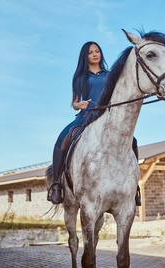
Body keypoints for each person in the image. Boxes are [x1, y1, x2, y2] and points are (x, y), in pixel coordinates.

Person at [47, 41, 141, 206]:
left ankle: (135, 186)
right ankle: (56, 184)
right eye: (91, 52)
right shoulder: (80, 76)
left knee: (132, 140)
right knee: (62, 137)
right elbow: (75, 102)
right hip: (86, 116)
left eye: (97, 51)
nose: (95, 54)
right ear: (86, 56)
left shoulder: (109, 74)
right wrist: (79, 105)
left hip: (107, 117)